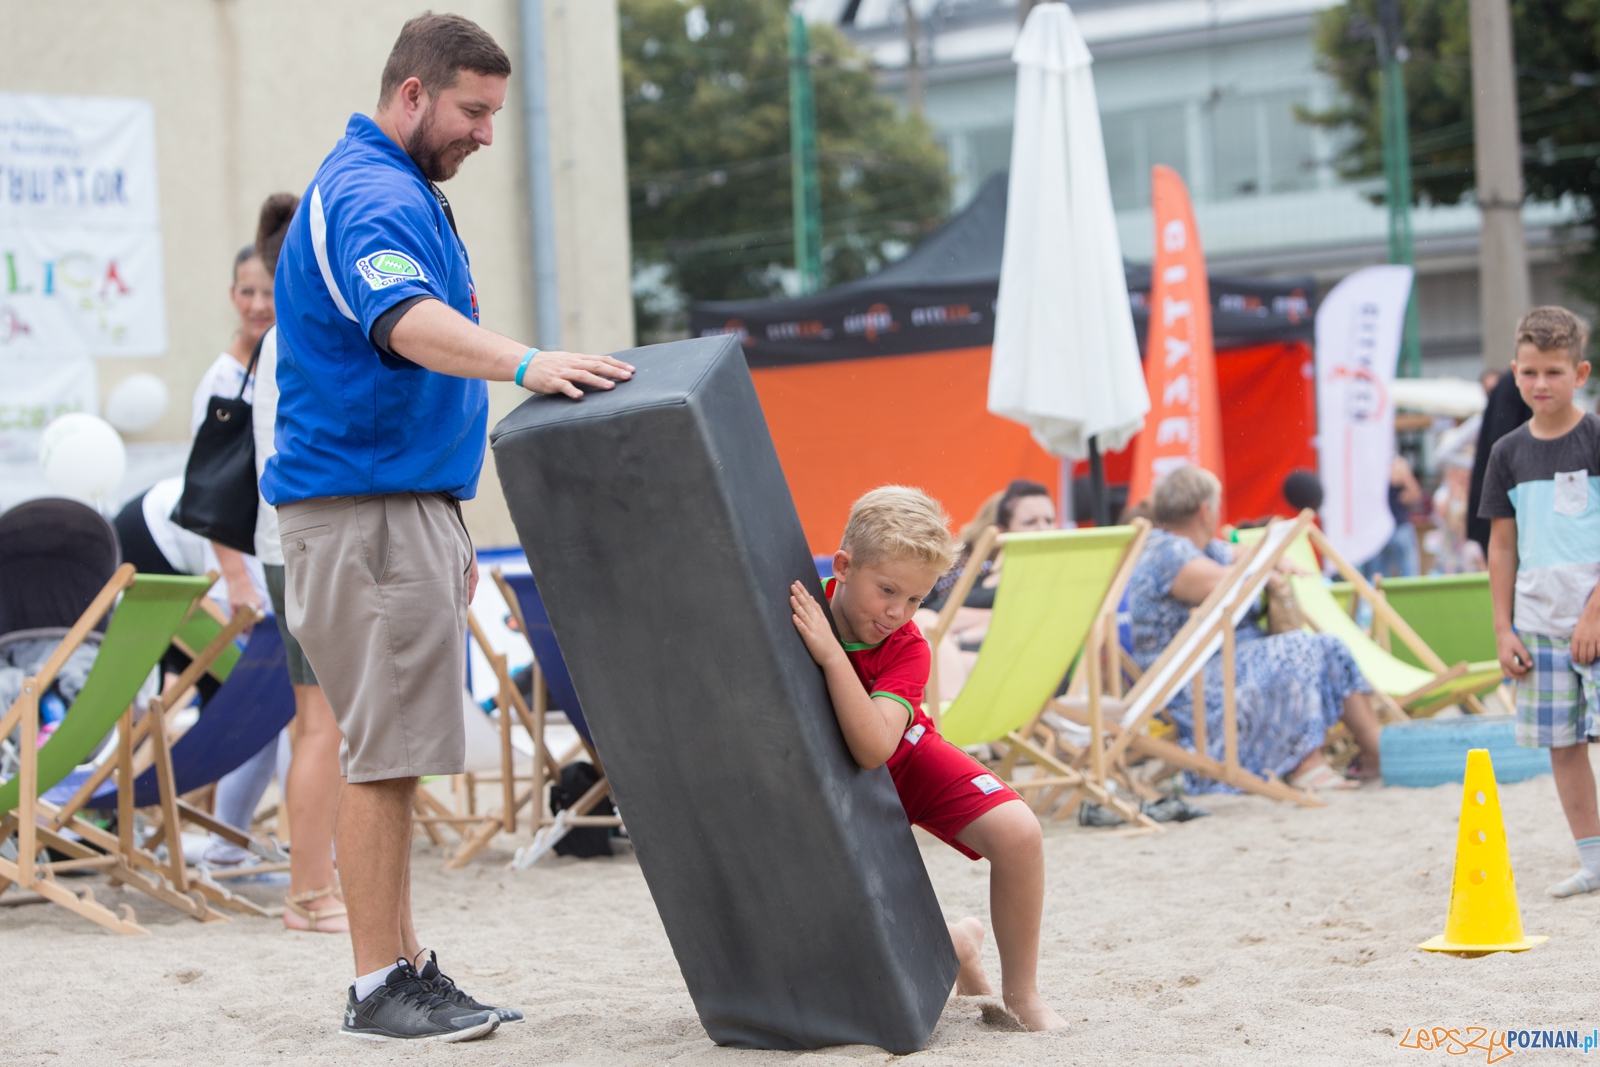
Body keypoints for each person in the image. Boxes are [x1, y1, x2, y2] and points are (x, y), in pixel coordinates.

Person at [262, 14, 633, 1042]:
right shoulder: (374, 190)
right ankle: (379, 981)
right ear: (413, 95)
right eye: (472, 111)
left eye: (495, 113)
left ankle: (406, 964)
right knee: (382, 753)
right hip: (366, 509)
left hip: (392, 504)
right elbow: (405, 321)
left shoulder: (391, 184)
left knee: (393, 747)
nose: (484, 132)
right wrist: (526, 361)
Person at [788, 486, 1067, 1031]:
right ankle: (956, 946)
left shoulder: (909, 644)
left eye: (916, 600)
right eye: (887, 590)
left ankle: (1023, 995)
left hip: (903, 756)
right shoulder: (800, 607)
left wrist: (828, 654)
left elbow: (875, 747)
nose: (898, 612)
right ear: (844, 567)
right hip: (820, 780)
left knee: (1020, 833)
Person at [1125, 465, 1383, 790]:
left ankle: (1377, 753)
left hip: (1224, 662)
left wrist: (1270, 560)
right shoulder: (1166, 551)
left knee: (1328, 646)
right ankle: (1306, 765)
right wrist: (1265, 571)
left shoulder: (1199, 546)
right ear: (1206, 511)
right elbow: (1219, 583)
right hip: (1190, 677)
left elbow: (1240, 553)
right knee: (1296, 649)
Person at [245, 192, 349, 933]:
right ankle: (310, 891)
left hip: (286, 544)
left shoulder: (278, 341)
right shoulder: (298, 338)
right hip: (301, 543)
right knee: (323, 725)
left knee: (314, 724)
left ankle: (314, 876)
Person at [1480, 306, 1600, 899]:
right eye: (1529, 372)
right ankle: (1594, 861)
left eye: (1553, 372)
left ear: (1580, 372)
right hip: (1537, 625)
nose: (1540, 385)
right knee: (1563, 745)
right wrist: (1504, 629)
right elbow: (1502, 546)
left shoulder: (1597, 437)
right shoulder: (1505, 452)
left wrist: (1595, 613)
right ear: (1514, 371)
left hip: (1596, 617)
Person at [917, 480, 1055, 700]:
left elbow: (1027, 622)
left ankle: (952, 728)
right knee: (923, 625)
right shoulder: (986, 574)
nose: (1043, 529)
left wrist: (960, 633)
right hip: (964, 653)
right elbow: (937, 613)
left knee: (923, 663)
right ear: (1003, 531)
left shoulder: (1054, 579)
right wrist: (991, 617)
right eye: (1031, 522)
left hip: (1015, 665)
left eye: (1049, 520)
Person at [1359, 455, 1423, 580]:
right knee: (1407, 574)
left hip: (1390, 527)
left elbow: (1414, 496)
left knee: (1377, 576)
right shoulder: (1396, 465)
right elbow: (1414, 495)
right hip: (1386, 529)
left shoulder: (1372, 465)